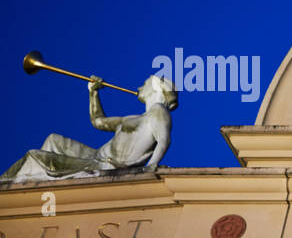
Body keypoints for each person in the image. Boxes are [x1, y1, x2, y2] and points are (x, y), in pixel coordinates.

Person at [2, 74, 177, 183]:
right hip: (94, 157)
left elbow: (163, 140)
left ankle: (12, 190)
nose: (140, 87)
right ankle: (42, 185)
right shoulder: (133, 118)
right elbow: (98, 122)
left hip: (106, 165)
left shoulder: (158, 112)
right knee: (53, 140)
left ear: (157, 89)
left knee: (34, 157)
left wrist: (152, 165)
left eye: (146, 82)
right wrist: (93, 92)